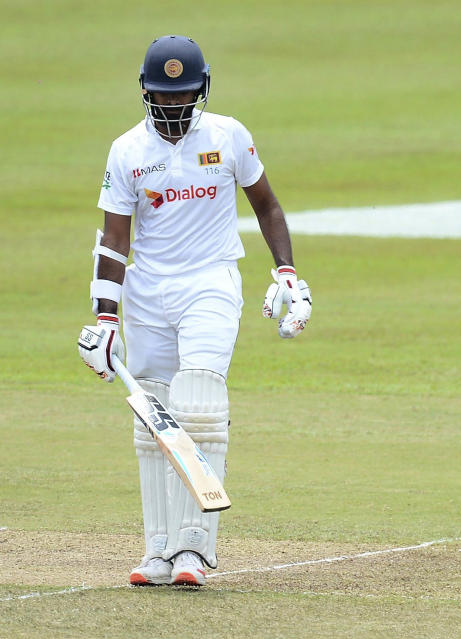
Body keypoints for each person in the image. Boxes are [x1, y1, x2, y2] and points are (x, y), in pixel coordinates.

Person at [77, 35, 312, 586]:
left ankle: (195, 549)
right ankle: (158, 549)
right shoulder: (127, 151)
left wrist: (286, 272)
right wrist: (105, 320)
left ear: (201, 91)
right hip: (146, 295)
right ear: (144, 92)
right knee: (153, 412)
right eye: (163, 96)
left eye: (183, 96)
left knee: (200, 398)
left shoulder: (228, 136)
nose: (174, 107)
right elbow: (113, 241)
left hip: (210, 281)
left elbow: (268, 206)